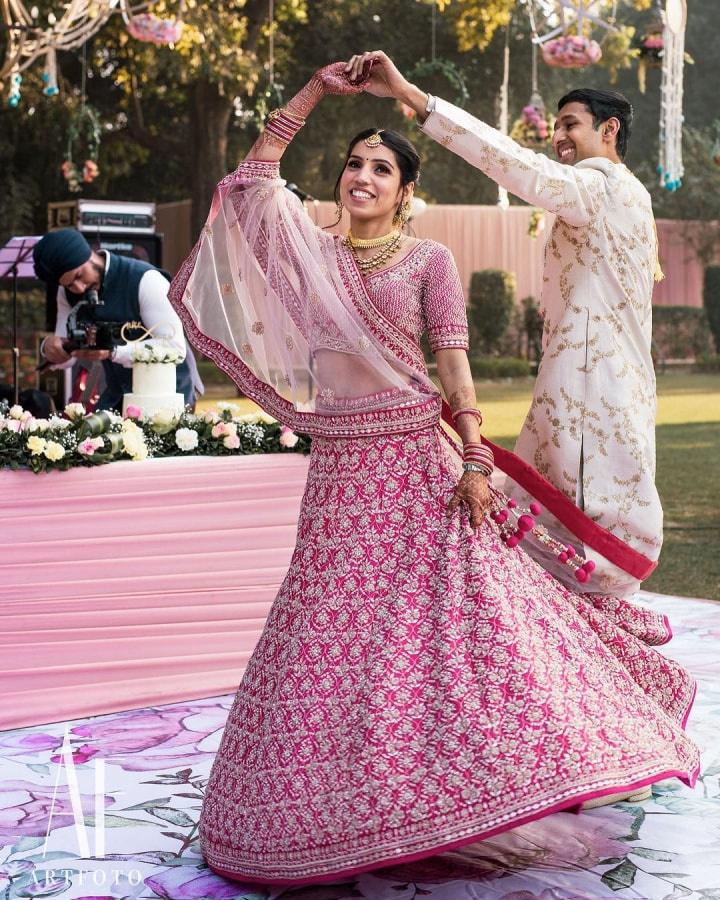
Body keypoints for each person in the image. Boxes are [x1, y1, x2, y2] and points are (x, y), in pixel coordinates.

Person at [169, 62, 698, 886]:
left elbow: (454, 373)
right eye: (354, 164)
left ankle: (462, 787)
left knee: (444, 630)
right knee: (328, 631)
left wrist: (477, 459)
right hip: (342, 468)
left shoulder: (430, 263)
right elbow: (250, 183)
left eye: (382, 168)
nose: (363, 177)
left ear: (406, 190)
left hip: (420, 465)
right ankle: (326, 805)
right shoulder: (309, 251)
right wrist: (312, 92)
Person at [345, 52, 663, 599]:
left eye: (571, 125)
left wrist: (415, 98)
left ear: (609, 131)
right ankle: (592, 648)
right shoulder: (636, 194)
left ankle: (569, 650)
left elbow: (510, 161)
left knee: (566, 528)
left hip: (587, 388)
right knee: (566, 521)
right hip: (623, 383)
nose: (558, 138)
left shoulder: (597, 184)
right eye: (557, 126)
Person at [33, 229, 202, 411]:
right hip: (118, 396)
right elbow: (66, 358)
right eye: (68, 285)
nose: (79, 288)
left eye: (79, 276)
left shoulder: (145, 279)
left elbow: (174, 347)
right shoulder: (66, 293)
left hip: (168, 394)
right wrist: (50, 346)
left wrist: (113, 352)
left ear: (88, 255)